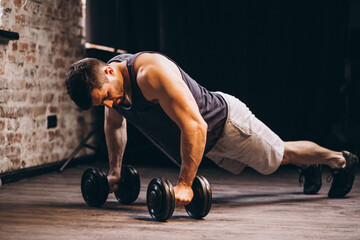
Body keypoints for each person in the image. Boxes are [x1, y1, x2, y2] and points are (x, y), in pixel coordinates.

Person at [65, 51, 358, 207]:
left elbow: (195, 125)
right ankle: (310, 165)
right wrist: (115, 171)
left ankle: (341, 160)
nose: (110, 102)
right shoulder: (111, 84)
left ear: (108, 71)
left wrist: (183, 184)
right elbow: (115, 125)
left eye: (106, 96)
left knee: (280, 156)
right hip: (212, 141)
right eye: (101, 102)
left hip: (226, 125)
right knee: (269, 160)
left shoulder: (149, 74)